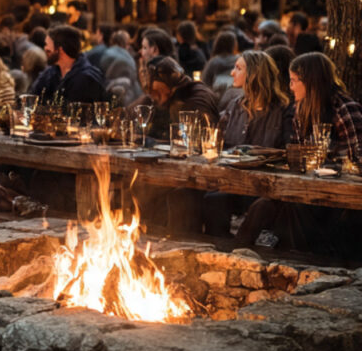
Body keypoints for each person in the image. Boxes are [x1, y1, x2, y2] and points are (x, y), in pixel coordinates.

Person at [234, 53, 362, 254]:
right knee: (263, 205)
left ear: (311, 82)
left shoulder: (344, 108)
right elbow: (296, 150)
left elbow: (358, 157)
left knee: (293, 209)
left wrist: (330, 161)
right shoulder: (299, 109)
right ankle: (237, 255)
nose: (290, 87)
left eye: (294, 81)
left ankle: (300, 260)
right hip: (306, 185)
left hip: (337, 194)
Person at [202, 52, 294, 242]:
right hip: (234, 180)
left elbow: (289, 151)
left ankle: (238, 249)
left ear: (254, 74)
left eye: (238, 68)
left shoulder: (284, 110)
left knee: (262, 207)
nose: (232, 73)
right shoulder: (235, 106)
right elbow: (219, 141)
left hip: (267, 185)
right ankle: (216, 248)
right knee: (212, 199)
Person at [138, 56, 218, 139]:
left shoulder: (195, 99)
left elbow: (196, 140)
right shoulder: (164, 99)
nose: (154, 97)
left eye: (156, 92)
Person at [29, 24, 106, 103]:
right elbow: (32, 98)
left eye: (48, 48)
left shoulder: (86, 79)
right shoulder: (50, 73)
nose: (45, 49)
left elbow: (75, 111)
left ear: (60, 50)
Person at [100, 29, 142, 105]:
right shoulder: (126, 57)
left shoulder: (107, 54)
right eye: (128, 43)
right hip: (128, 98)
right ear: (126, 43)